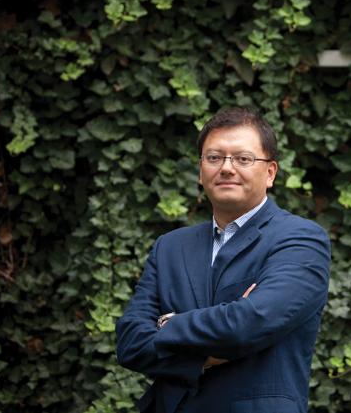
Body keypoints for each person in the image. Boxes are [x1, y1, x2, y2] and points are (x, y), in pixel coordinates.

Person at [115, 107, 331, 413]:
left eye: (243, 159)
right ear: (201, 170)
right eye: (214, 158)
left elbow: (251, 322)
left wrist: (168, 324)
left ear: (270, 173)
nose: (227, 168)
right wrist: (208, 353)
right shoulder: (170, 247)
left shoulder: (299, 240)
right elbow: (130, 343)